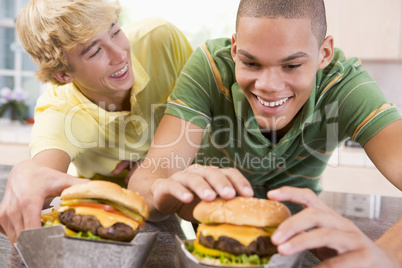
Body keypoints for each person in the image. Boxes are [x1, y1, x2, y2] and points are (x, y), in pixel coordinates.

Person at [129, 0, 402, 266]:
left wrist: (388, 255)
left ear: (324, 54)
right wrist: (160, 192)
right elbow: (151, 175)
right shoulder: (210, 68)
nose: (269, 85)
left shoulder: (345, 87)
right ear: (235, 49)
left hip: (298, 240)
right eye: (251, 63)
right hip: (211, 236)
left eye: (291, 66)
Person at [0, 0, 192, 245]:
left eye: (115, 31)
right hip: (110, 222)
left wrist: (158, 164)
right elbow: (41, 176)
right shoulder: (59, 109)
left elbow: (207, 106)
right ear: (64, 74)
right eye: (94, 51)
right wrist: (25, 172)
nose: (119, 54)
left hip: (186, 190)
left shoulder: (160, 38)